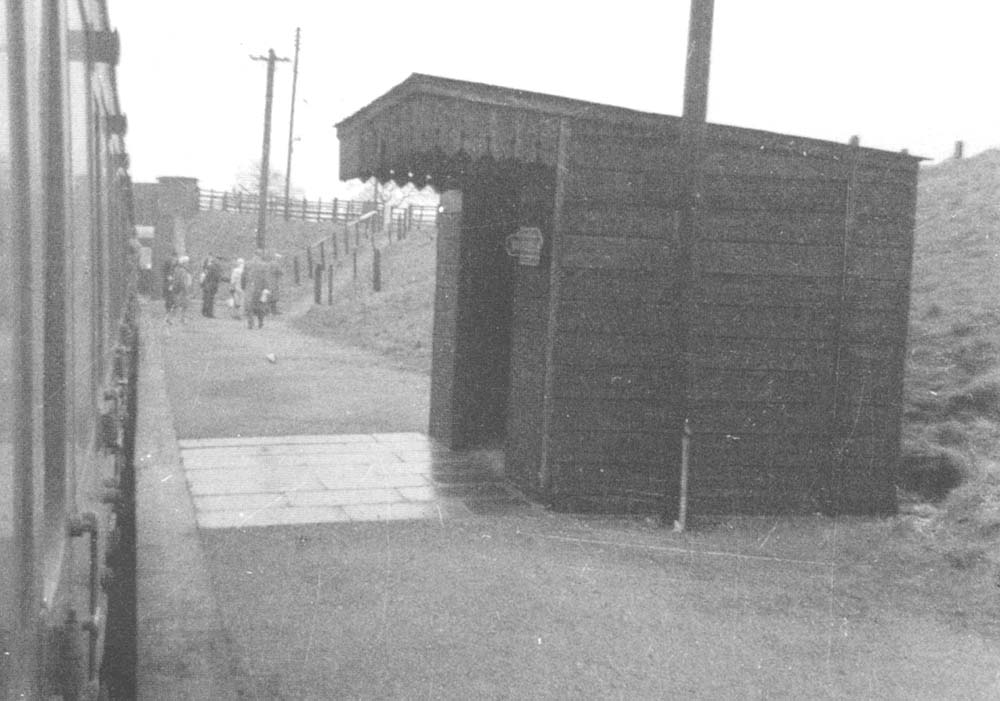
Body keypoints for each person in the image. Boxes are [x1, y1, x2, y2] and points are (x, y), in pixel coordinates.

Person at [241, 249, 269, 329]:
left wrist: (243, 286)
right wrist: (266, 288)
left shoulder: (247, 263)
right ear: (261, 255)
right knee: (260, 304)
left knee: (249, 305)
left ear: (254, 254)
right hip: (260, 288)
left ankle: (250, 323)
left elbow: (243, 276)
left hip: (250, 287)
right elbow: (266, 278)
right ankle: (260, 322)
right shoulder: (264, 265)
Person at [167, 255, 192, 324]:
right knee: (181, 305)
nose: (188, 263)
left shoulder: (178, 269)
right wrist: (186, 290)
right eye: (187, 262)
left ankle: (175, 318)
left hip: (178, 289)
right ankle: (172, 319)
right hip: (181, 290)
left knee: (178, 305)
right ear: (184, 263)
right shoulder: (183, 271)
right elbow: (183, 281)